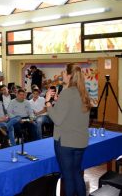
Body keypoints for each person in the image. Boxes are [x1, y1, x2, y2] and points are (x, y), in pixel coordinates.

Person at [45, 63, 91, 196]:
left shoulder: (67, 93)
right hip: (80, 142)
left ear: (70, 76)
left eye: (64, 72)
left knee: (68, 177)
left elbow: (57, 120)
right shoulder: (83, 93)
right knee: (76, 173)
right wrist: (59, 103)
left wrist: (48, 102)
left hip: (66, 143)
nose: (62, 74)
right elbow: (73, 113)